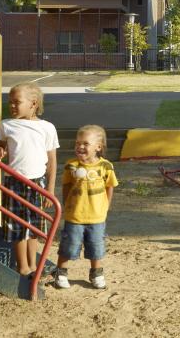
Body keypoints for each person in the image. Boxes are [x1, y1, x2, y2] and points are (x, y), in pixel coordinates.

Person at [0, 83, 59, 277]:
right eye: (10, 102)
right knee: (17, 227)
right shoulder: (7, 125)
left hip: (38, 183)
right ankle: (22, 267)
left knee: (34, 227)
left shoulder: (47, 128)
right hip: (15, 183)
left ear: (33, 104)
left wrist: (50, 190)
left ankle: (33, 265)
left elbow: (52, 162)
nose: (12, 106)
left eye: (17, 102)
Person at [55, 124, 119, 290]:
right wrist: (67, 204)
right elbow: (66, 186)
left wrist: (106, 206)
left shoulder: (106, 166)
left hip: (97, 217)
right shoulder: (71, 165)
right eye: (77, 143)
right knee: (69, 245)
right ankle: (61, 272)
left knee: (96, 246)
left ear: (98, 147)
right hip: (75, 216)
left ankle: (96, 273)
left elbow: (109, 186)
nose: (80, 147)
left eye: (85, 143)